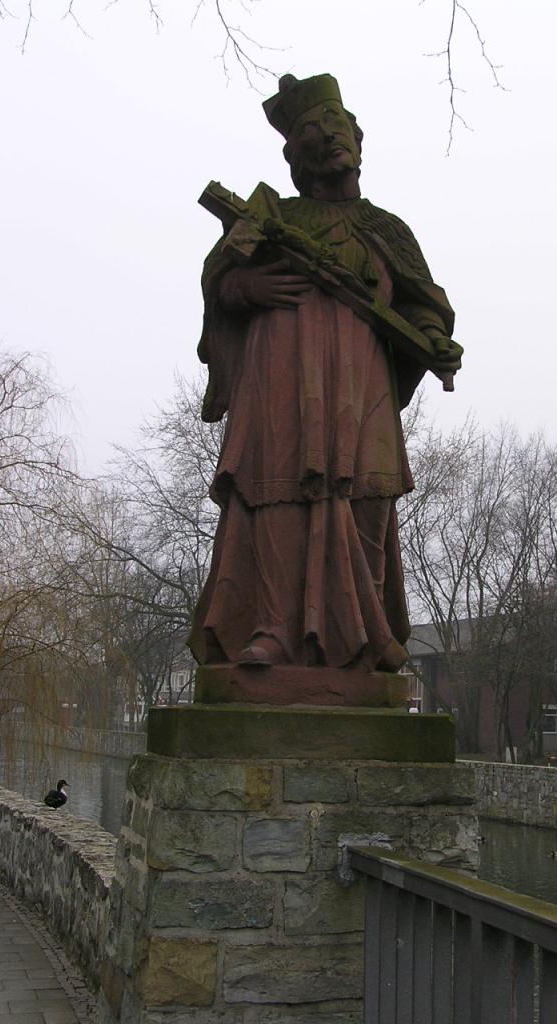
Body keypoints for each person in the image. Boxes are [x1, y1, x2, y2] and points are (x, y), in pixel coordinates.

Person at [188, 73, 461, 674]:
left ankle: (363, 636)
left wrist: (436, 340)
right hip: (280, 377)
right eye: (313, 129)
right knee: (276, 489)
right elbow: (219, 280)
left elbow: (422, 303)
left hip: (362, 386)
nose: (329, 137)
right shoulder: (269, 213)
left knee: (369, 491)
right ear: (294, 153)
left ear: (359, 140)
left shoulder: (387, 230)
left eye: (338, 125)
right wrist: (246, 286)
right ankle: (273, 631)